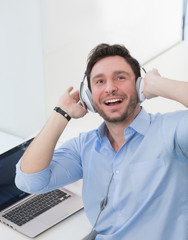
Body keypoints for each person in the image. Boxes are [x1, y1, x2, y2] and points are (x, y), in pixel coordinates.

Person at [15, 43, 188, 240]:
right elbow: (29, 181)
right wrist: (61, 112)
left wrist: (158, 84)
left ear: (139, 87)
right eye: (99, 82)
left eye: (120, 78)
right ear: (88, 97)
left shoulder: (171, 131)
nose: (110, 88)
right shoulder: (84, 147)